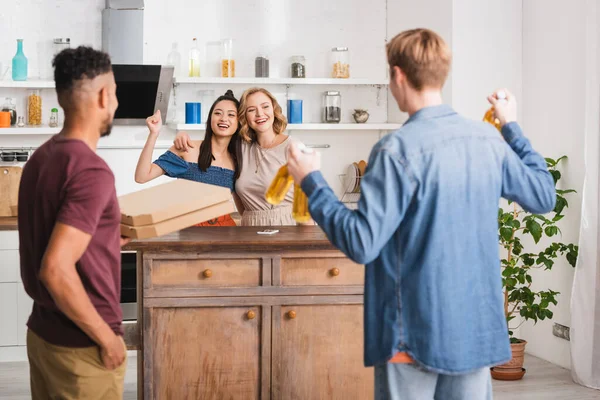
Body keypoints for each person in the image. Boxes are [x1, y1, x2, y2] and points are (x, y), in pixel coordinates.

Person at [286, 28, 556, 399]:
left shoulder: (395, 150)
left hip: (410, 332)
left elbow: (362, 242)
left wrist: (311, 181)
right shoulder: (486, 141)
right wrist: (510, 124)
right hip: (474, 331)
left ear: (398, 75)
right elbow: (543, 195)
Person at [18, 46, 128, 399]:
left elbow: (53, 236)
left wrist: (105, 243)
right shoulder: (92, 171)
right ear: (103, 95)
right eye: (115, 93)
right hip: (83, 349)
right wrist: (107, 339)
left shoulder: (42, 157)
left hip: (44, 336)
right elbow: (55, 269)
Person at [174, 87, 306, 226]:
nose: (259, 113)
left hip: (287, 225)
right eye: (251, 110)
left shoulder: (293, 147)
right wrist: (181, 135)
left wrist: (307, 241)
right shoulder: (241, 148)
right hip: (249, 226)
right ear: (244, 117)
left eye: (265, 106)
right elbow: (216, 142)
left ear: (274, 109)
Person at [135, 90, 242, 226]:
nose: (223, 119)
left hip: (225, 233)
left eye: (231, 115)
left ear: (239, 123)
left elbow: (242, 209)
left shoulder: (237, 160)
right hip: (190, 233)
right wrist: (154, 134)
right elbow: (142, 176)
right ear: (210, 119)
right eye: (217, 113)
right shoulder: (187, 149)